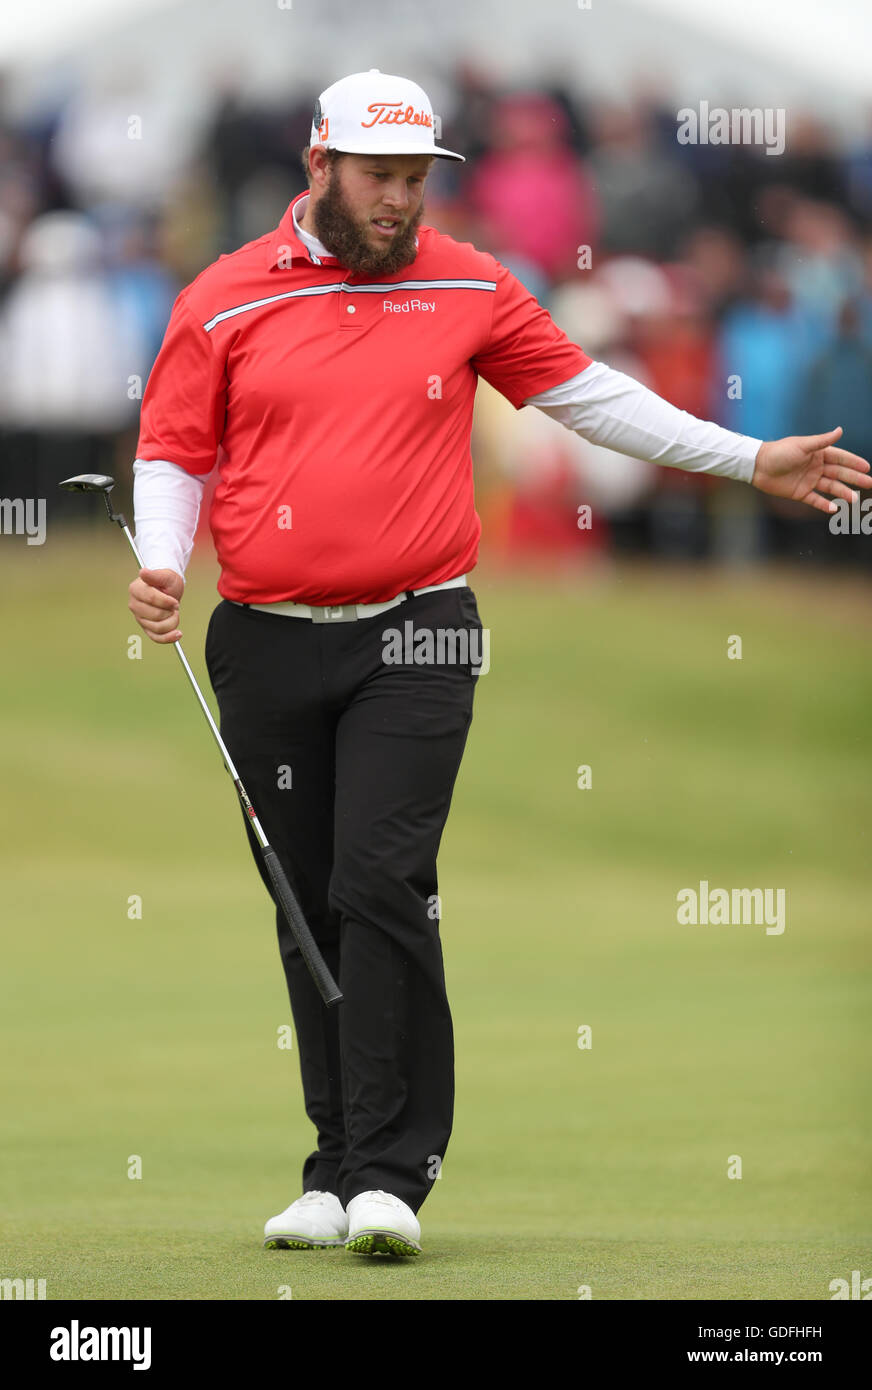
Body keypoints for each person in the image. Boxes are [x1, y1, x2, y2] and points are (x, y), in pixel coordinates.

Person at [127, 69, 870, 1258]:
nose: (400, 199)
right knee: (306, 899)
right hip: (261, 637)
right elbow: (173, 447)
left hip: (416, 630)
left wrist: (746, 461)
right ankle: (331, 1165)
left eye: (417, 177)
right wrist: (164, 560)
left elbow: (591, 400)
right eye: (380, 176)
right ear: (319, 166)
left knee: (380, 877)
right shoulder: (221, 297)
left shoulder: (465, 281)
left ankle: (393, 1174)